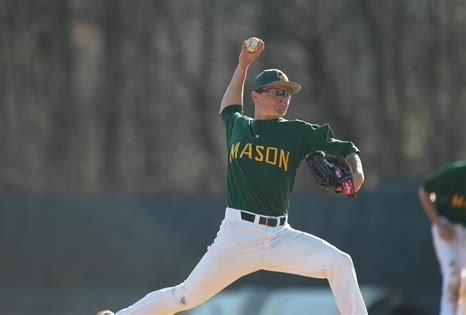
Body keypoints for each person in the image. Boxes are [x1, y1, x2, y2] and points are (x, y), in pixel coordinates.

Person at [99, 38, 367, 315]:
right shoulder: (238, 126)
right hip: (238, 233)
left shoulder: (297, 132)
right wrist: (243, 65)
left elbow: (347, 148)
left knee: (340, 263)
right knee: (185, 297)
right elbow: (228, 107)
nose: (282, 98)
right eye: (275, 92)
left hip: (278, 236)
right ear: (255, 96)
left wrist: (356, 171)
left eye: (286, 94)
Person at [418, 160, 466, 315]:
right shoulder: (455, 174)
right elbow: (424, 191)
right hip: (448, 226)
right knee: (454, 278)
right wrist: (438, 224)